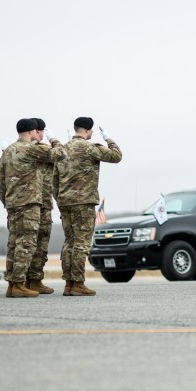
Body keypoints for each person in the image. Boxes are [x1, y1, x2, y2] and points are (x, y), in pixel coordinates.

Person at [55, 117, 122, 296]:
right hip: (83, 202)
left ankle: (69, 283)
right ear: (88, 130)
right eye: (91, 131)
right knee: (81, 243)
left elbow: (55, 178)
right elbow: (116, 156)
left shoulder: (61, 149)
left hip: (64, 202)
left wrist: (59, 198)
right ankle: (77, 283)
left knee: (69, 242)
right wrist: (108, 139)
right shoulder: (90, 148)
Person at [0, 118, 65, 297]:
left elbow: (1, 181)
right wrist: (54, 140)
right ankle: (19, 284)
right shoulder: (31, 148)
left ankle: (13, 284)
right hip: (29, 203)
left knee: (14, 243)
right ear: (30, 132)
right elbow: (60, 153)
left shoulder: (8, 151)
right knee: (26, 243)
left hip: (13, 203)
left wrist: (7, 201)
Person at [30, 116, 59, 293]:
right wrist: (54, 140)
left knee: (24, 243)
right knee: (39, 244)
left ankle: (26, 280)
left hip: (23, 203)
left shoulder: (16, 150)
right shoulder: (42, 149)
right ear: (39, 132)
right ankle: (34, 280)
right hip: (42, 202)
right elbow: (62, 154)